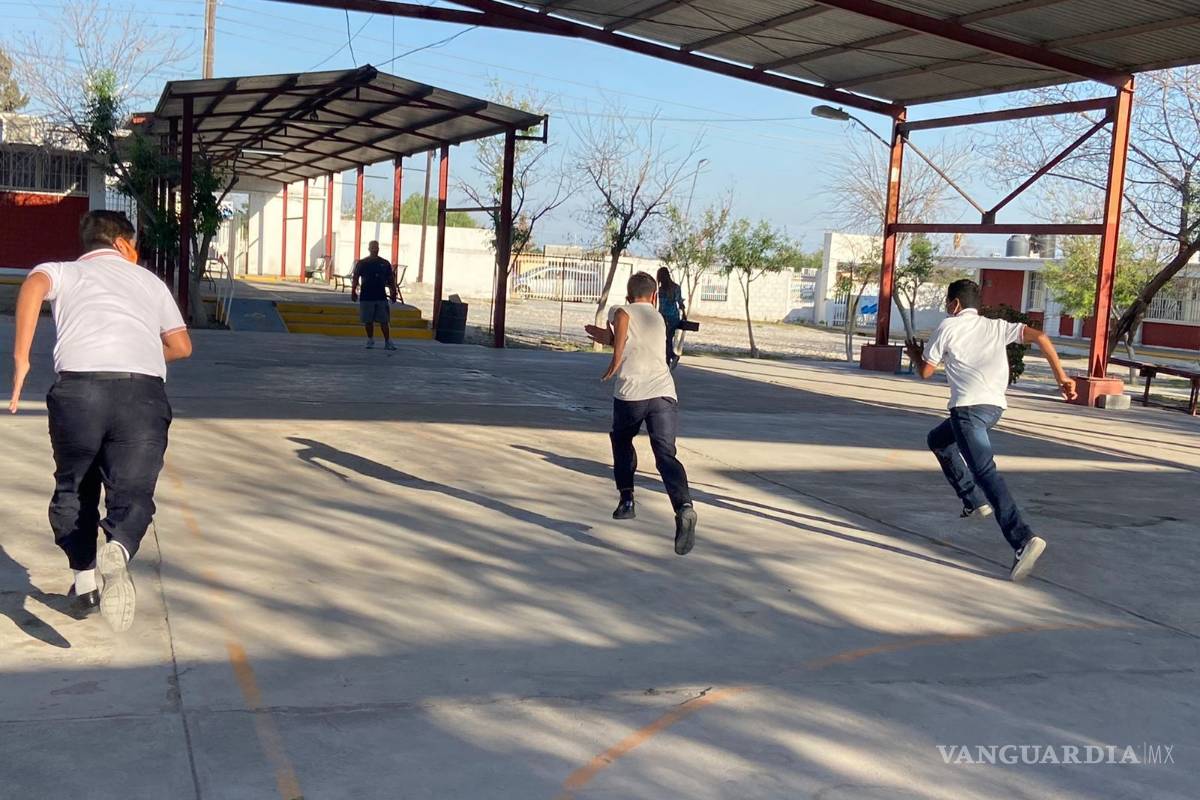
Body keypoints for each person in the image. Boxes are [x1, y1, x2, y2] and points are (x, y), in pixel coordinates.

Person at [8, 211, 193, 630]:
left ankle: (85, 581)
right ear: (124, 245)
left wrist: (22, 359)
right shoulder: (149, 281)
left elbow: (34, 285)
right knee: (133, 490)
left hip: (78, 391)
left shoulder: (65, 272)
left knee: (75, 485)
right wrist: (142, 353)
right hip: (141, 393)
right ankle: (121, 548)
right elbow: (181, 346)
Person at [905, 279, 1076, 582]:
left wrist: (915, 354)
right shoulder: (996, 326)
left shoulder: (948, 326)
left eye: (948, 303)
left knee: (986, 472)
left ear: (954, 304)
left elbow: (926, 372)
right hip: (993, 409)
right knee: (938, 441)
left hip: (967, 411)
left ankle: (1022, 539)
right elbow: (1040, 336)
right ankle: (973, 501)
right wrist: (1061, 377)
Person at [586, 272, 698, 555]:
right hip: (663, 394)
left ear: (628, 295)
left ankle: (627, 499)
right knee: (665, 455)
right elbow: (631, 338)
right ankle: (683, 506)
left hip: (632, 395)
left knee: (622, 441)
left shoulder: (621, 310)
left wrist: (614, 356)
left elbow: (623, 322)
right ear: (655, 296)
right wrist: (613, 341)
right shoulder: (657, 318)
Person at [350, 240, 398, 350]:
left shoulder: (385, 263)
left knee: (384, 320)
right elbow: (356, 277)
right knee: (368, 321)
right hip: (366, 296)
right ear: (369, 249)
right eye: (372, 247)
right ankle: (370, 339)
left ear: (379, 248)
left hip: (381, 296)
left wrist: (393, 292)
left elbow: (391, 279)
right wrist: (353, 291)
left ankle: (387, 341)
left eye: (376, 247)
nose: (374, 249)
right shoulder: (362, 263)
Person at [656, 266, 685, 368]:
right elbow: (680, 303)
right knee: (667, 339)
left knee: (666, 339)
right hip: (672, 318)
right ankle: (668, 360)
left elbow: (662, 306)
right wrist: (684, 314)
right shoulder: (676, 288)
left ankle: (670, 358)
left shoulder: (661, 290)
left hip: (666, 318)